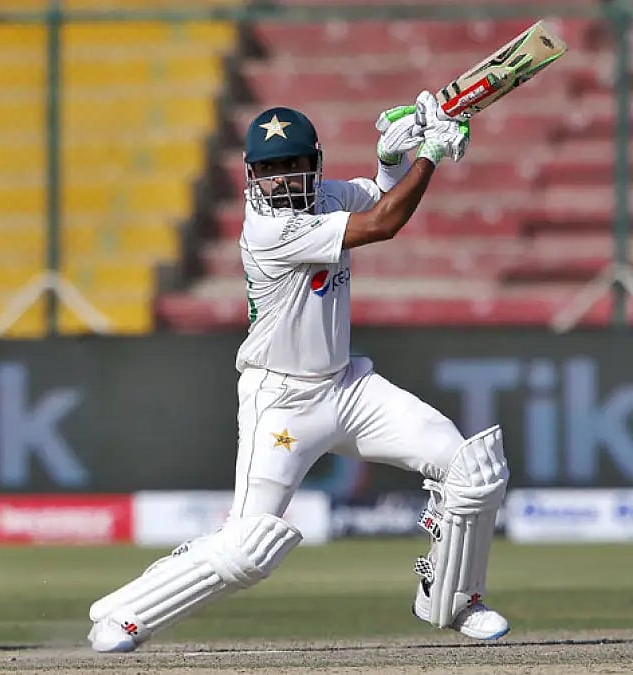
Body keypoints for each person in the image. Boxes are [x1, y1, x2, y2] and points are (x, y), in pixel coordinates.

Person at [87, 91, 510, 652]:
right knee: (248, 547)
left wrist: (391, 158)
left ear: (314, 162)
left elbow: (381, 194)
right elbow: (383, 223)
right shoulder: (269, 231)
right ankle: (124, 613)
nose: (282, 178)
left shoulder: (327, 197)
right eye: (269, 169)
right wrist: (430, 153)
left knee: (473, 470)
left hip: (347, 389)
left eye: (293, 164)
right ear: (251, 176)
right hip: (281, 403)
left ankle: (454, 599)